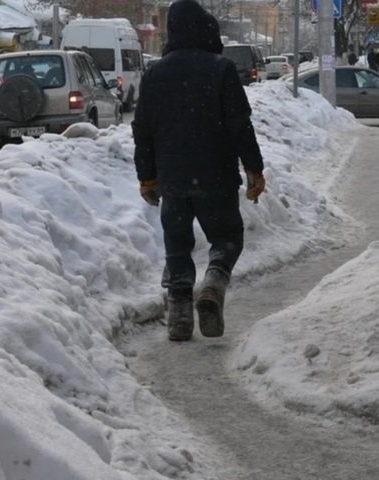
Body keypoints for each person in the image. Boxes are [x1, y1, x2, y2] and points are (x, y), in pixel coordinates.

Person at [132, 0, 265, 342]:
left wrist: (147, 176)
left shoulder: (154, 73)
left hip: (173, 178)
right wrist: (254, 168)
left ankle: (179, 316)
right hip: (216, 174)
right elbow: (240, 126)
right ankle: (213, 286)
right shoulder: (221, 69)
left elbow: (142, 130)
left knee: (177, 244)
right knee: (227, 237)